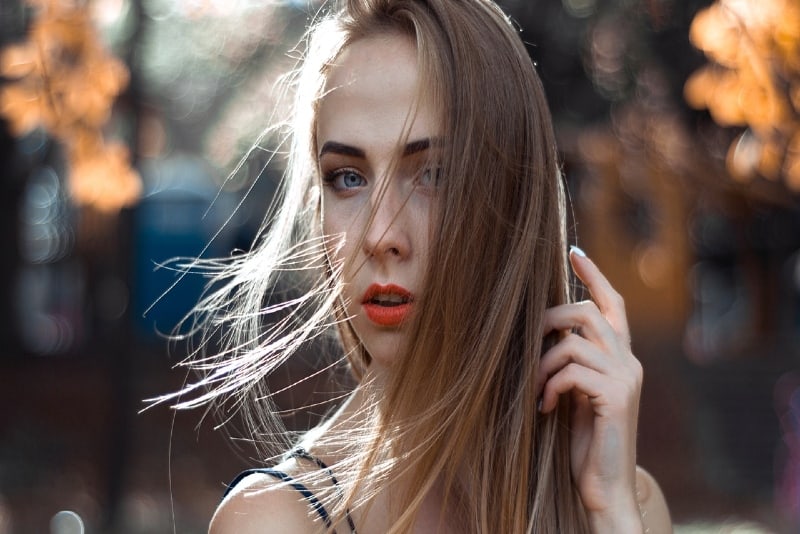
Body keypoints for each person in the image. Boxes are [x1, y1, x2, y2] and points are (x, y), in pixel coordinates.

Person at [168, 0, 672, 531]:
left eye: (432, 173)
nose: (382, 234)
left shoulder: (624, 504)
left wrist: (610, 512)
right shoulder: (275, 523)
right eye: (347, 177)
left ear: (515, 201)